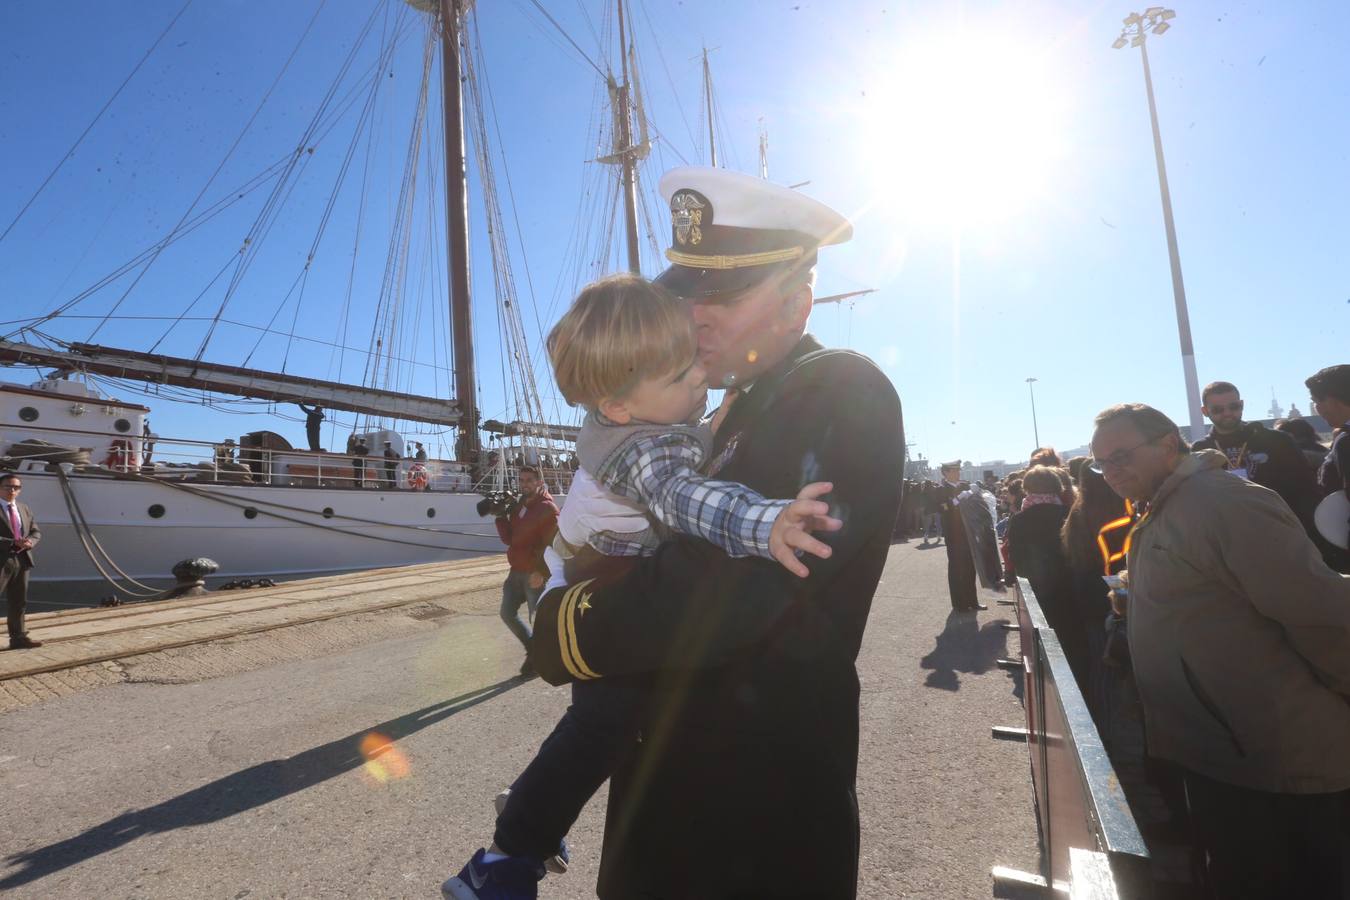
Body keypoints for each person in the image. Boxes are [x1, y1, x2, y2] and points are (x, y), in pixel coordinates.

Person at [511, 167, 903, 899]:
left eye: (722, 295)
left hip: (748, 827)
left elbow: (725, 591)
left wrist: (562, 623)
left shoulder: (837, 391)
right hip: (673, 807)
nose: (695, 317)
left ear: (798, 302)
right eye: (687, 294)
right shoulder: (732, 408)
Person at [445, 274, 843, 899]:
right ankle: (504, 860)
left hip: (592, 582)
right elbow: (685, 498)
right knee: (606, 727)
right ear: (621, 406)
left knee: (596, 732)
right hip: (587, 593)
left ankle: (533, 806)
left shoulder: (645, 415)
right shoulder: (640, 451)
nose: (698, 378)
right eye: (681, 374)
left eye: (693, 360)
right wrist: (766, 523)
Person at [1091, 402, 1350, 899]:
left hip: (1273, 762)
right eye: (1102, 463)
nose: (1111, 472)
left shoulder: (1221, 501)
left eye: (1122, 455)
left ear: (1169, 446)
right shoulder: (1166, 504)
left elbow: (1318, 612)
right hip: (1222, 753)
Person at [1192, 381, 1320, 526]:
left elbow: (1306, 487)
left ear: (1242, 405)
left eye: (1234, 407)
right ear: (1205, 412)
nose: (1227, 413)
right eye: (1217, 409)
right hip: (1228, 532)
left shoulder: (1277, 440)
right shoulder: (1201, 449)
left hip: (1280, 527)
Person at [494, 466, 558, 675]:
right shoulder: (519, 505)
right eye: (521, 480)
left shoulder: (547, 508)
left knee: (537, 619)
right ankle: (534, 650)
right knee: (507, 613)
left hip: (534, 573)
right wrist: (500, 517)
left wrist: (541, 571)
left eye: (529, 480)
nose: (524, 484)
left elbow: (554, 543)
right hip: (516, 571)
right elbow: (509, 539)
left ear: (539, 482)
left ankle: (540, 659)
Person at [1, 473, 42, 650]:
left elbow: (35, 532)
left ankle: (18, 638)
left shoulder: (24, 508)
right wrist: (11, 542)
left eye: (16, 487)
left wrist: (30, 542)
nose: (12, 490)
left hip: (22, 559)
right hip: (2, 559)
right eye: (8, 486)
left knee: (19, 601)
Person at [937, 461, 985, 611]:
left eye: (958, 470)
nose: (958, 473)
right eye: (954, 470)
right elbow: (942, 509)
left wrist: (977, 493)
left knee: (970, 567)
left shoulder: (964, 485)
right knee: (957, 567)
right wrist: (958, 500)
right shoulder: (940, 490)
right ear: (945, 473)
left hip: (968, 532)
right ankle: (960, 603)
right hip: (953, 534)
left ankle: (972, 601)